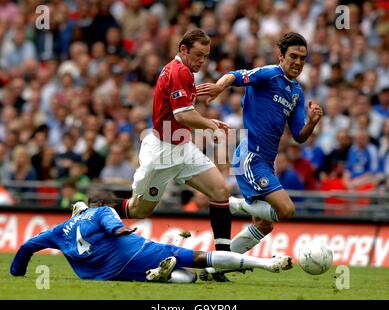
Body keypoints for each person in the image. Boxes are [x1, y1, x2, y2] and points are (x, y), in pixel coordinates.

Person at [107, 29, 233, 280]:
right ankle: (94, 208)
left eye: (206, 56)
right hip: (163, 151)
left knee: (221, 192)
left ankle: (221, 264)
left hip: (181, 146)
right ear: (183, 50)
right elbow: (182, 115)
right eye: (198, 54)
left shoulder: (183, 72)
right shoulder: (179, 71)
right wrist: (210, 124)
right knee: (139, 210)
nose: (201, 61)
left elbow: (182, 111)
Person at [196, 32, 323, 258]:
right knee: (286, 210)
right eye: (293, 56)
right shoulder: (269, 74)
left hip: (266, 161)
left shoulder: (297, 93)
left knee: (264, 225)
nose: (298, 62)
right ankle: (233, 205)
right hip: (250, 157)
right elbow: (235, 75)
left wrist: (312, 122)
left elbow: (298, 136)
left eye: (303, 58)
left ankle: (215, 264)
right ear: (281, 56)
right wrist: (218, 87)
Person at [10, 190, 293, 283]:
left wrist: (18, 271)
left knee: (192, 277)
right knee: (198, 260)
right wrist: (123, 229)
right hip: (132, 250)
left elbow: (26, 246)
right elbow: (113, 226)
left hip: (105, 274)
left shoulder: (57, 231)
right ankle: (267, 263)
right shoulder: (101, 212)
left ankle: (157, 275)